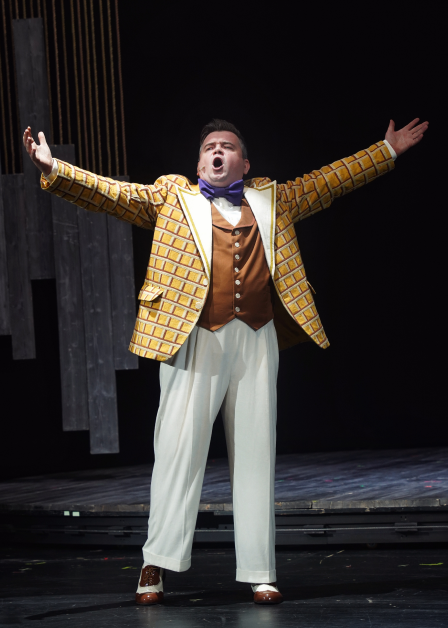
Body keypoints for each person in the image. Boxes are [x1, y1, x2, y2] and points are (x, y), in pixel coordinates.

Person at [23, 116, 428, 605]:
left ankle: (260, 570)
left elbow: (328, 182)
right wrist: (55, 169)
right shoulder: (173, 197)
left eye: (228, 147)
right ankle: (156, 564)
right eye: (210, 147)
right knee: (177, 451)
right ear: (199, 163)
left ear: (245, 162)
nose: (218, 152)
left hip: (255, 337)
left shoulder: (272, 198)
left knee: (256, 454)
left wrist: (385, 151)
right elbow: (112, 194)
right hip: (193, 335)